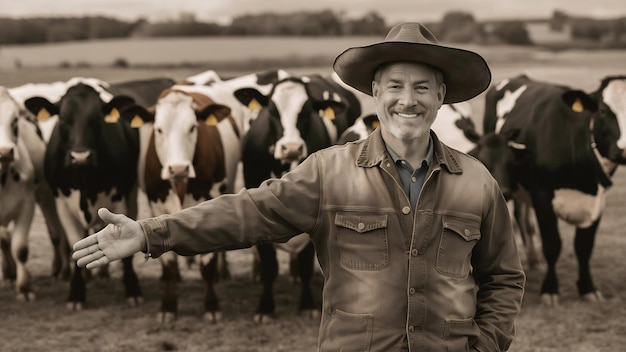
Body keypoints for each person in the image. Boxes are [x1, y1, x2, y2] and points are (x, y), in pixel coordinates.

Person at [73, 22, 525, 352]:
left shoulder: (477, 182)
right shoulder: (329, 172)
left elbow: (503, 277)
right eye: (395, 86)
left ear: (441, 96)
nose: (408, 100)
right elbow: (248, 213)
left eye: (423, 87)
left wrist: (486, 343)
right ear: (374, 92)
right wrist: (152, 232)